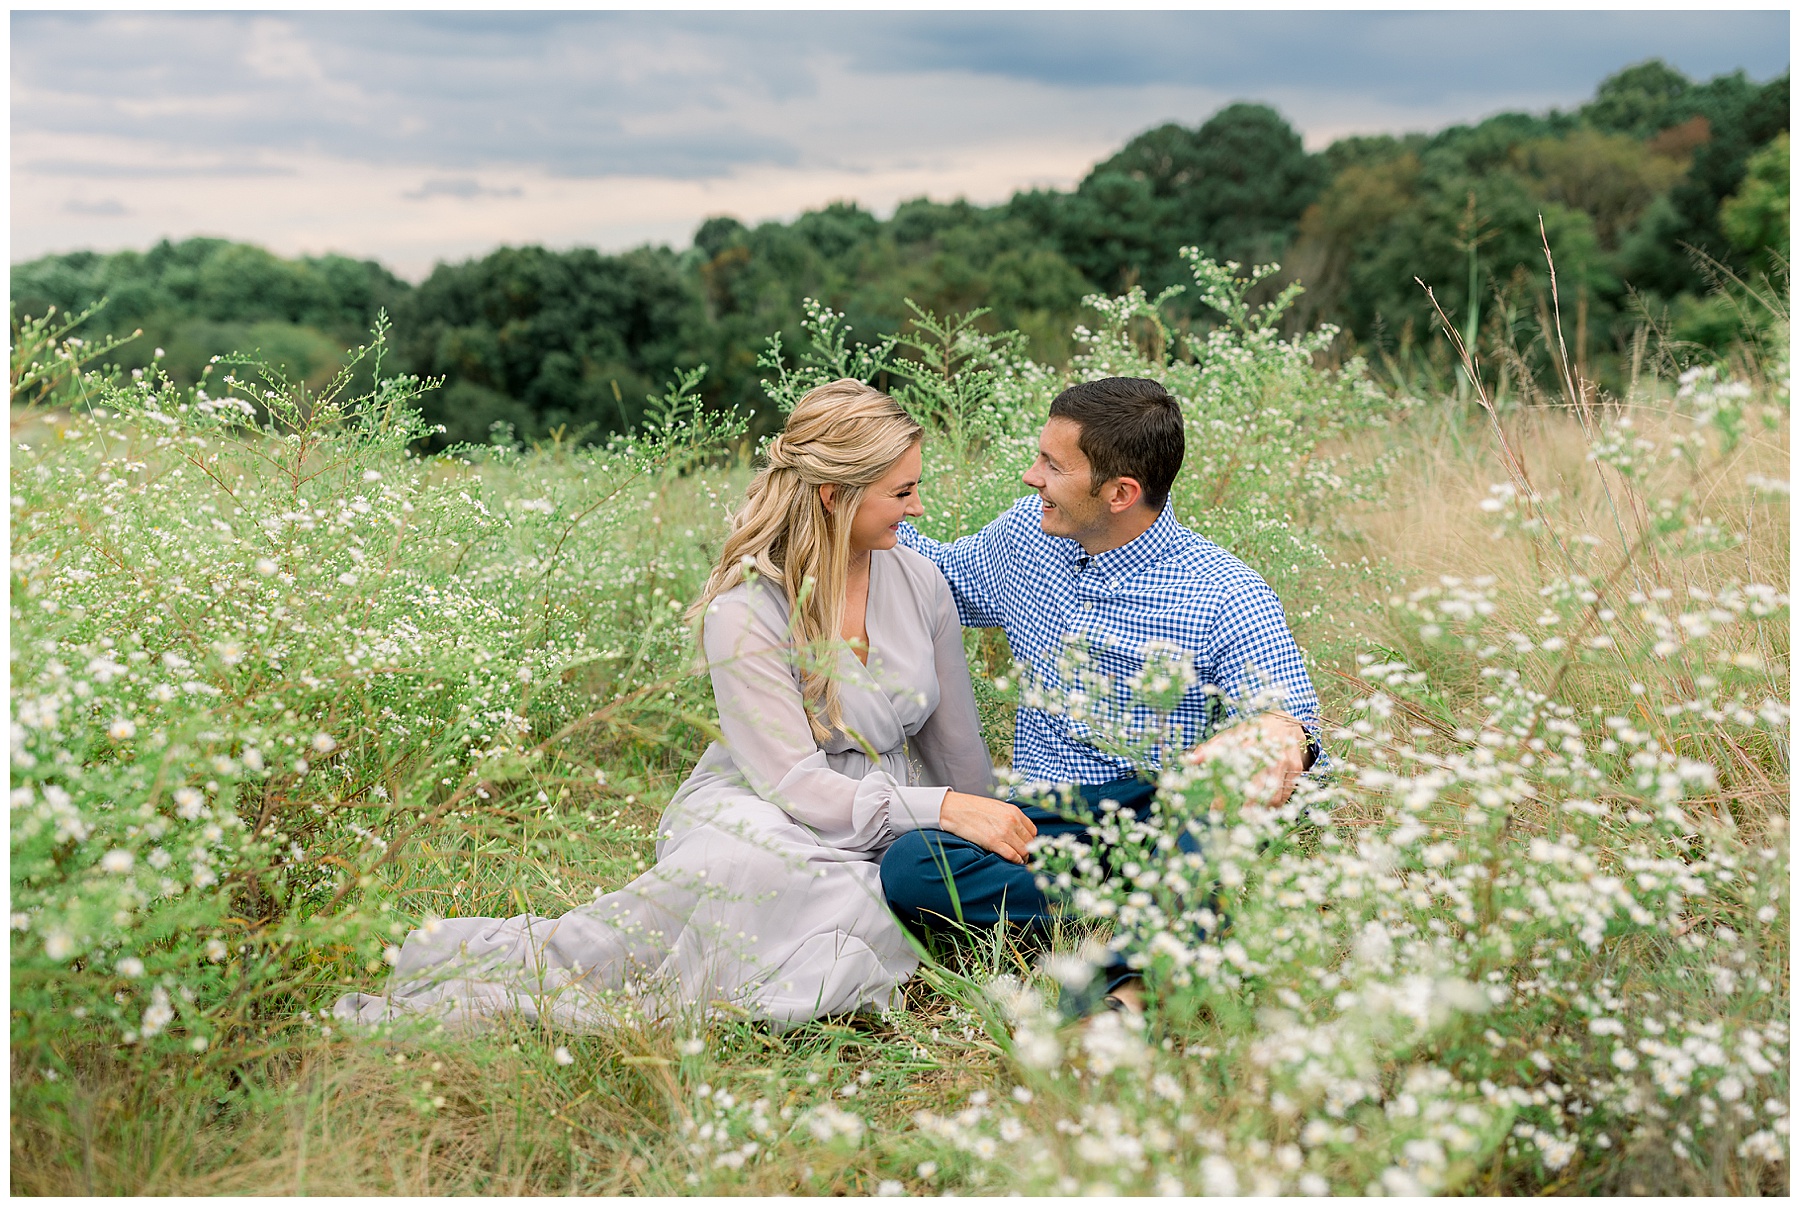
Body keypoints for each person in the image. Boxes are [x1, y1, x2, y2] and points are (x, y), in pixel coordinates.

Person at [334, 380, 1031, 1032]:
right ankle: (536, 979)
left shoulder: (922, 582)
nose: (919, 509)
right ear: (832, 495)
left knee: (869, 897)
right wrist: (938, 809)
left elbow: (955, 744)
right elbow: (791, 781)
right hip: (770, 800)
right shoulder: (748, 607)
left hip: (888, 798)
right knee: (759, 879)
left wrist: (989, 830)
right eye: (901, 491)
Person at [880, 376, 1324, 1012]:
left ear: (1121, 493)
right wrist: (851, 496)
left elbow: (1289, 725)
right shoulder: (1025, 539)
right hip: (1042, 822)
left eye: (1053, 465)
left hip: (1154, 813)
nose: (1032, 477)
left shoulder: (1224, 593)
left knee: (1204, 799)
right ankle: (1155, 911)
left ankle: (1121, 991)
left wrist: (1276, 736)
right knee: (910, 865)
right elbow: (938, 577)